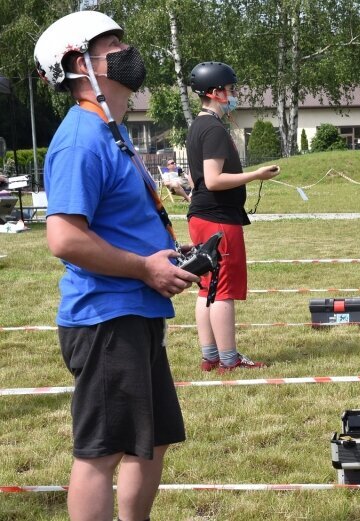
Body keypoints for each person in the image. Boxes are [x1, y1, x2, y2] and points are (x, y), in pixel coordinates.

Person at [34, 11, 200, 521]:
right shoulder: (82, 138)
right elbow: (63, 238)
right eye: (114, 48)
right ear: (78, 64)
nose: (128, 54)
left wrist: (161, 264)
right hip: (106, 317)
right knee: (100, 453)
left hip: (133, 311)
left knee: (150, 443)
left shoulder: (109, 131)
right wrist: (144, 268)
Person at [186, 61, 280, 373]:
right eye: (230, 90)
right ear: (215, 93)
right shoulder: (213, 128)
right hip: (218, 219)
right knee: (221, 289)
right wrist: (256, 175)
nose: (233, 95)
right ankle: (229, 359)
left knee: (206, 286)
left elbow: (198, 180)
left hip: (202, 215)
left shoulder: (198, 126)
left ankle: (210, 355)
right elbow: (213, 180)